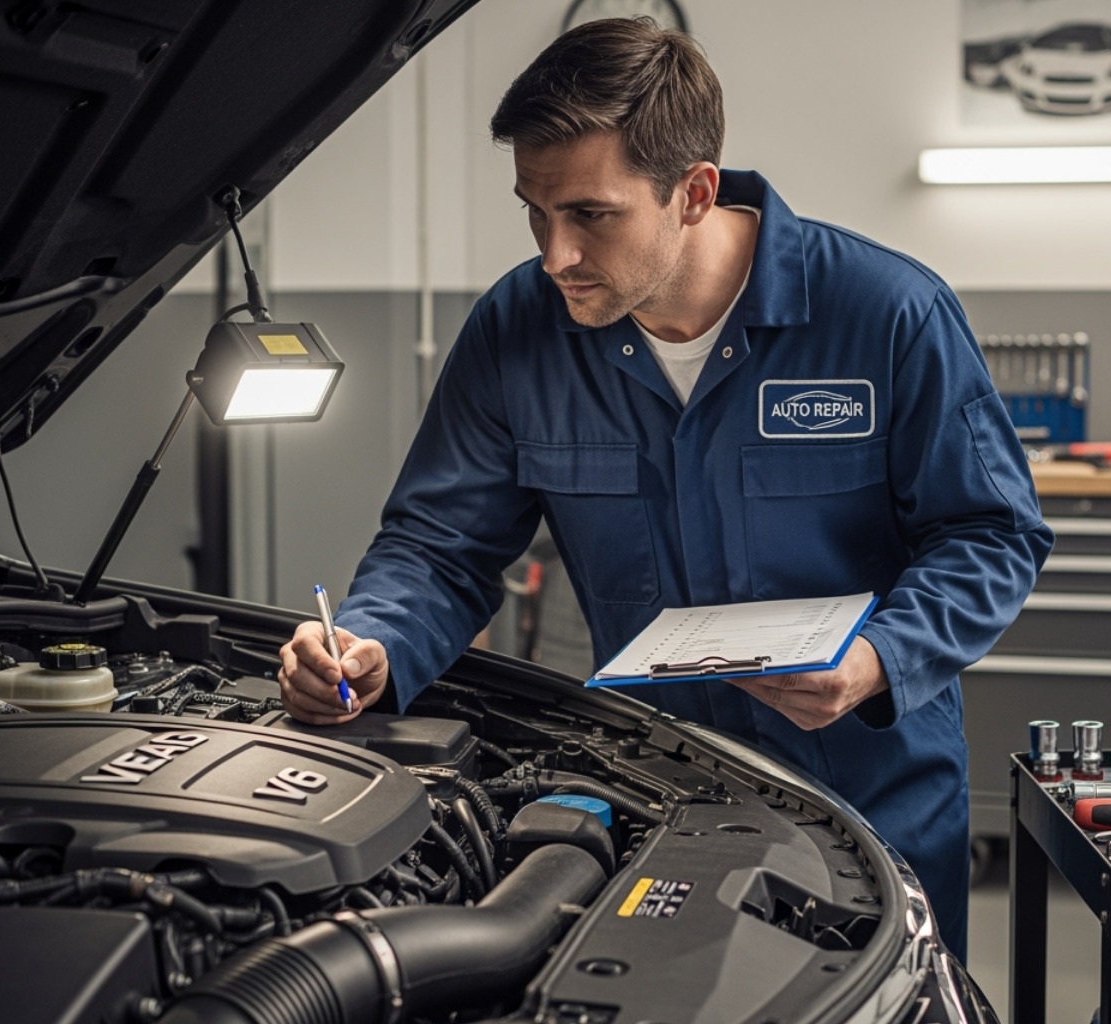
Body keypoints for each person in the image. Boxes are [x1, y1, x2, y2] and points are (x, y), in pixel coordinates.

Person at [279, 17, 1052, 963]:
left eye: (590, 215)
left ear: (692, 193)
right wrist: (370, 644)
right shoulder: (516, 332)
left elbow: (991, 533)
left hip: (870, 802)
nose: (553, 253)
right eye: (534, 210)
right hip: (653, 799)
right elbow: (441, 543)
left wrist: (878, 659)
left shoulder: (887, 315)